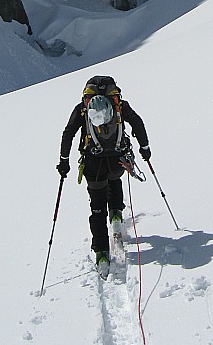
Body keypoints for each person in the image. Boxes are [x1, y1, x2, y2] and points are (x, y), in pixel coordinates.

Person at [57, 75, 151, 272]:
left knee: (97, 206)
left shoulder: (82, 109)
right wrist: (145, 148)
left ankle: (101, 253)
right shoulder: (120, 105)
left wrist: (64, 161)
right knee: (114, 180)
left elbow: (68, 132)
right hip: (117, 159)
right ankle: (116, 215)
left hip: (93, 163)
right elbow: (137, 122)